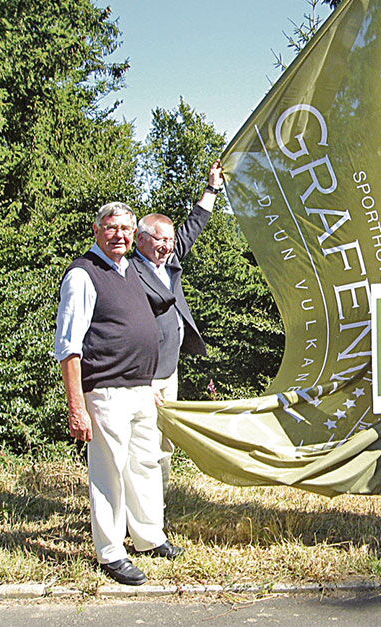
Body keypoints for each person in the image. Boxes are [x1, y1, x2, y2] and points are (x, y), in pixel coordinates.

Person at [55, 203, 183, 587]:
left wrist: (149, 384)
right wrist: (77, 406)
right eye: (112, 228)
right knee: (109, 472)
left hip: (140, 388)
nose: (120, 235)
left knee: (143, 464)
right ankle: (110, 552)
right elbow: (68, 347)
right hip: (105, 391)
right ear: (96, 231)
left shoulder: (128, 269)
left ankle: (148, 536)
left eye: (126, 229)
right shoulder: (83, 275)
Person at [131, 160, 222, 494]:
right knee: (145, 443)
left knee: (164, 442)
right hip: (146, 376)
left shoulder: (167, 262)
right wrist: (144, 380)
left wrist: (212, 187)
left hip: (169, 372)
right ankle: (141, 511)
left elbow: (194, 226)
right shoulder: (129, 273)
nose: (167, 245)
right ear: (140, 239)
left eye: (169, 240)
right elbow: (130, 331)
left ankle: (160, 505)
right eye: (159, 239)